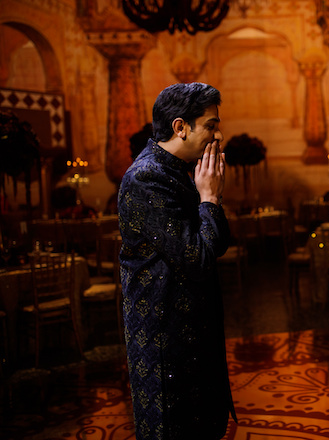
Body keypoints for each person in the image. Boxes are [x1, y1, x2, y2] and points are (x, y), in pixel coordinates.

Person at [118, 82, 236, 439]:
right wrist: (209, 197)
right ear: (180, 127)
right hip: (165, 344)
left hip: (193, 337)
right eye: (211, 125)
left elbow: (218, 244)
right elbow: (199, 258)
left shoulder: (179, 170)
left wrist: (209, 198)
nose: (218, 133)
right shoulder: (147, 178)